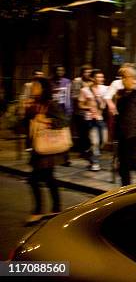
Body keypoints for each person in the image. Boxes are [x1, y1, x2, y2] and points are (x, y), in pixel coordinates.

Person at [25, 77, 69, 224]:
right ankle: (56, 208)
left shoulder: (51, 104)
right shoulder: (34, 104)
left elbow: (64, 121)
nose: (33, 88)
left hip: (47, 150)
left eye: (36, 86)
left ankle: (38, 211)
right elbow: (26, 125)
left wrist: (46, 120)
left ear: (43, 88)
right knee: (49, 179)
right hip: (37, 148)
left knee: (33, 179)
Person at [78, 70, 107, 171]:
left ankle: (89, 153)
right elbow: (80, 104)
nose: (100, 79)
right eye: (98, 77)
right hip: (90, 119)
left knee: (103, 141)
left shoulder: (105, 89)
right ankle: (95, 163)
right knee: (95, 141)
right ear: (92, 78)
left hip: (101, 118)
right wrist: (88, 107)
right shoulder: (85, 90)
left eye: (101, 77)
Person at [50, 65, 72, 166]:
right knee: (55, 136)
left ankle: (66, 159)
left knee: (65, 136)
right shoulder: (49, 82)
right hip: (53, 112)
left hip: (64, 112)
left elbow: (68, 97)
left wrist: (69, 111)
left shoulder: (67, 82)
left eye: (62, 70)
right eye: (58, 70)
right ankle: (56, 157)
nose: (60, 72)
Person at [71, 64, 92, 154]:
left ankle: (87, 148)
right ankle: (83, 149)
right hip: (80, 110)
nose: (87, 74)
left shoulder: (92, 81)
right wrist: (84, 96)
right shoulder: (77, 81)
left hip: (90, 110)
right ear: (82, 73)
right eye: (85, 72)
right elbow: (74, 95)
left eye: (89, 72)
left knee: (88, 130)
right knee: (82, 130)